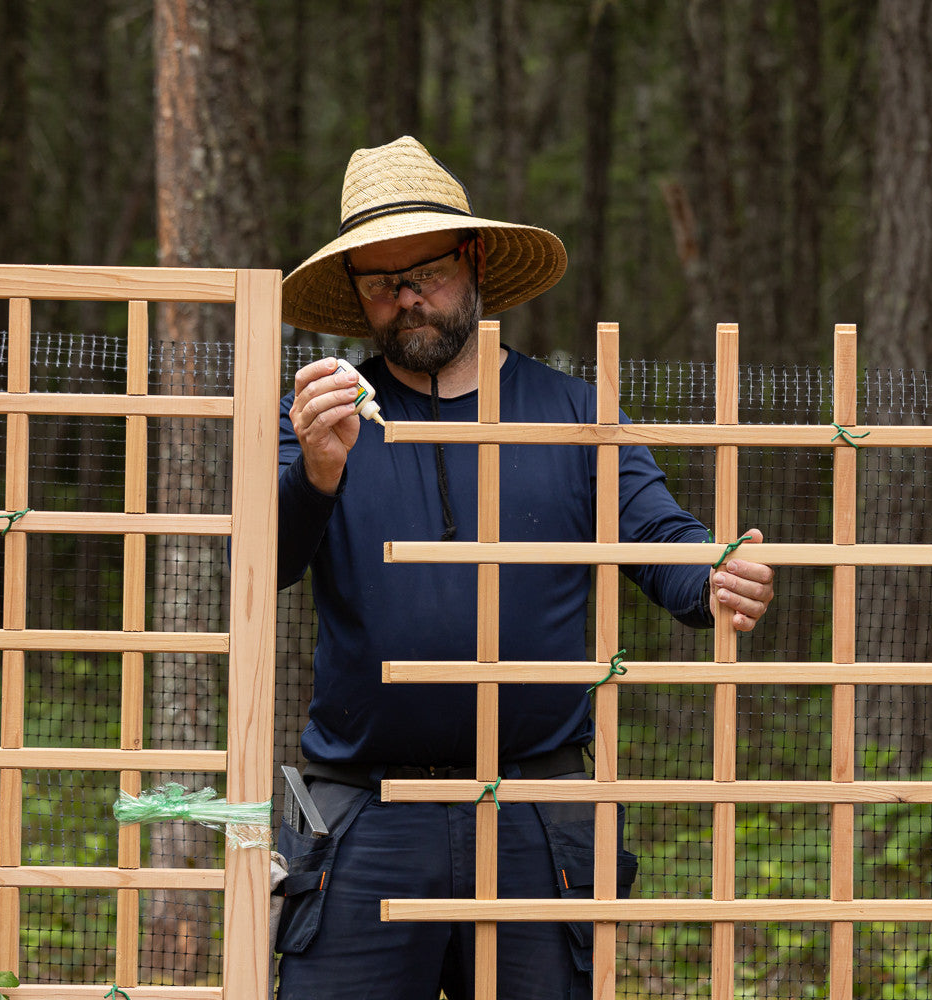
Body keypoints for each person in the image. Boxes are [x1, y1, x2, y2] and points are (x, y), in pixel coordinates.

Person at [275, 135, 775, 1000]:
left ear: (470, 259)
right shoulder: (323, 417)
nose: (405, 300)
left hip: (537, 816)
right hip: (362, 817)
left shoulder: (570, 412)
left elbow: (657, 539)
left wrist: (714, 573)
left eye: (423, 272)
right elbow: (266, 568)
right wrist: (316, 469)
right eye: (379, 283)